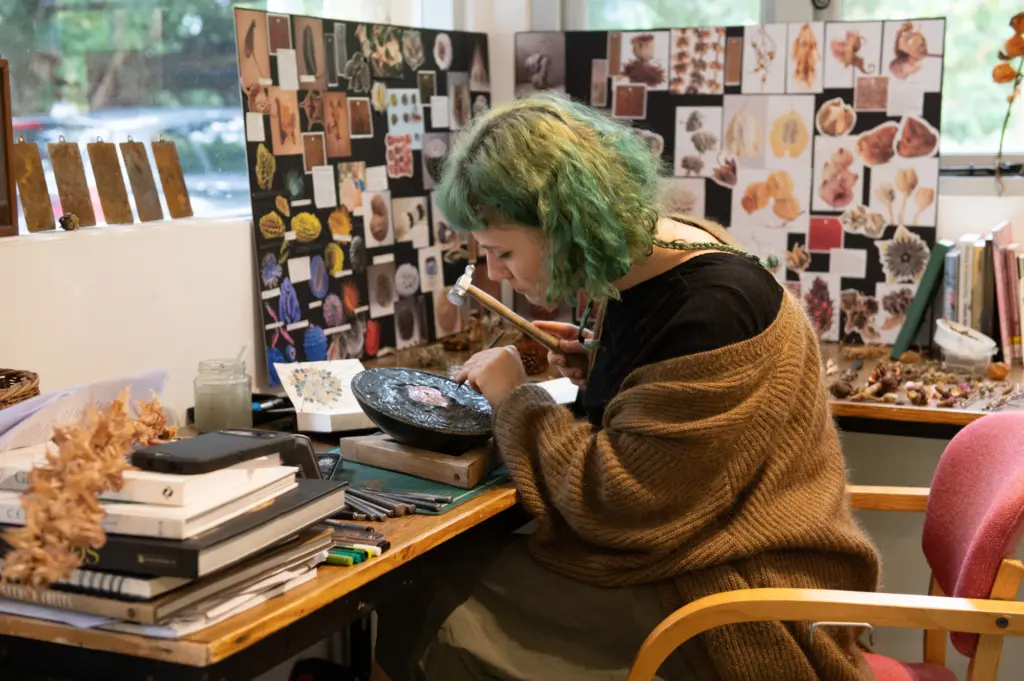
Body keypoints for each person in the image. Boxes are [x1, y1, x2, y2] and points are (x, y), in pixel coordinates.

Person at [375, 94, 880, 681]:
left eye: (502, 251)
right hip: (701, 555)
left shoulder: (711, 312)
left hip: (740, 596)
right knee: (428, 580)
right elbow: (672, 413)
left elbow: (623, 504)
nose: (494, 273)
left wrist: (516, 400)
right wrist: (606, 369)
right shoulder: (661, 255)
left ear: (566, 225)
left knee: (433, 605)